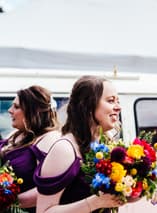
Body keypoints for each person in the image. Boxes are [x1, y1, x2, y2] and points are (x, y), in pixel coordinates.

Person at [34, 75, 124, 213]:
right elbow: (44, 211)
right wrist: (95, 202)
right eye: (111, 101)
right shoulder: (64, 149)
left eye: (118, 101)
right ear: (88, 105)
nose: (118, 107)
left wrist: (133, 189)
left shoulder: (107, 142)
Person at [0, 85, 60, 212]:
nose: (10, 110)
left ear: (33, 111)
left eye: (16, 107)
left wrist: (8, 203)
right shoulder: (16, 134)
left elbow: (48, 189)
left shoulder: (50, 139)